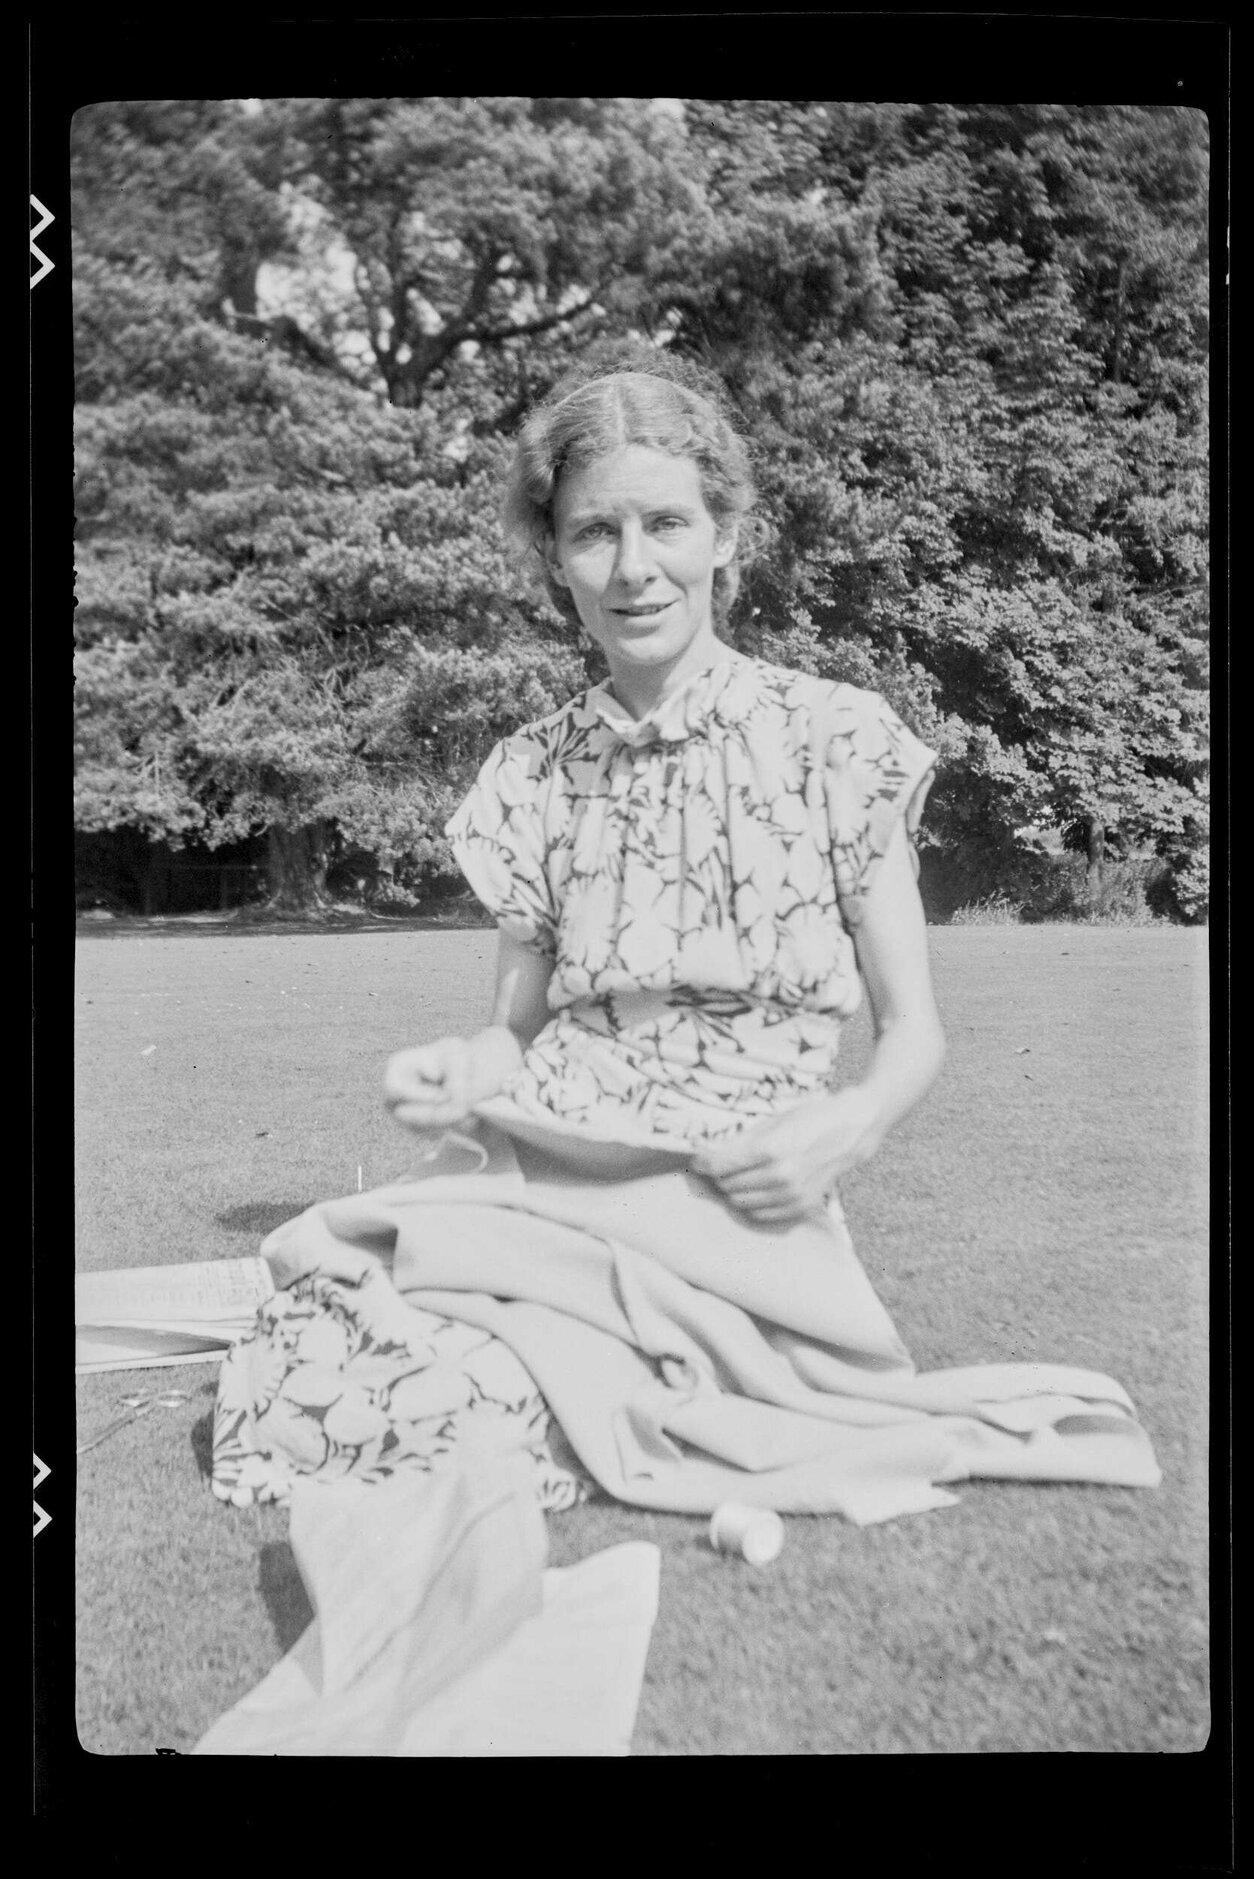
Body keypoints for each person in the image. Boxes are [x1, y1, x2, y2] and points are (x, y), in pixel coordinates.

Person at [212, 361, 1159, 1524]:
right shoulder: (532, 770)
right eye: (594, 532)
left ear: (725, 534)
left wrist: (847, 1125)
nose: (634, 565)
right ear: (556, 558)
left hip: (729, 1196)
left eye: (665, 523)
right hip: (550, 1168)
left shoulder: (834, 740)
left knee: (462, 1410)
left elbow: (913, 1032)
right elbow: (514, 1035)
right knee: (302, 1337)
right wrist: (461, 1073)